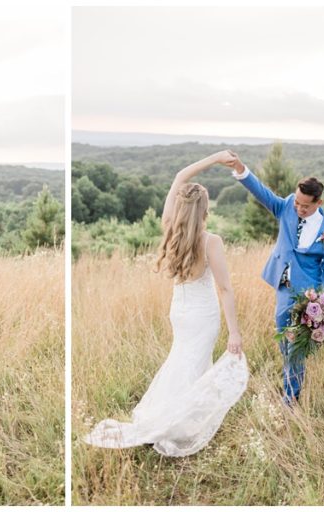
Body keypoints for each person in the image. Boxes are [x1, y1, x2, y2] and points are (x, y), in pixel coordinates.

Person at [83, 151, 248, 457]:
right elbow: (224, 289)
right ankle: (172, 423)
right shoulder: (211, 241)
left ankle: (181, 418)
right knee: (192, 364)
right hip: (202, 315)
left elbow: (178, 177)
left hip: (180, 313)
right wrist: (234, 333)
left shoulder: (170, 227)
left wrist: (213, 159)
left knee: (184, 361)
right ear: (205, 210)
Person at [226, 150, 324, 405]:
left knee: (295, 349)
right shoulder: (287, 207)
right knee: (284, 342)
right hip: (283, 287)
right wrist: (240, 168)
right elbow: (262, 192)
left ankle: (291, 399)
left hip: (308, 296)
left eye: (305, 205)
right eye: (297, 203)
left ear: (318, 203)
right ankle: (292, 383)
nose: (299, 208)